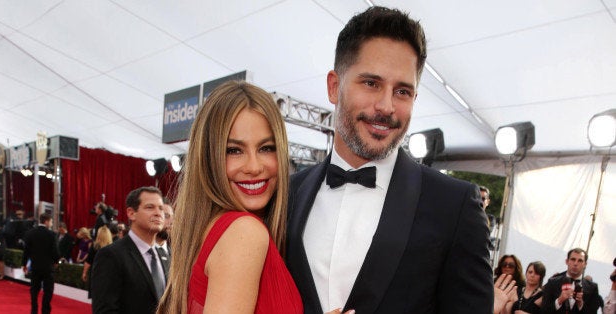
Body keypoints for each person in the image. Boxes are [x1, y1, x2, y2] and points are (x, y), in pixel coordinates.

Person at [285, 6, 493, 313]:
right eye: (371, 83)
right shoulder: (286, 195)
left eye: (402, 91)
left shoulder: (454, 206)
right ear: (334, 86)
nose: (386, 106)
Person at [157, 81, 319, 314]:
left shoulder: (209, 230)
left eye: (266, 148)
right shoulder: (244, 232)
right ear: (208, 158)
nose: (253, 167)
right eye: (233, 150)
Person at [91, 186, 169, 314]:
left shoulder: (165, 255)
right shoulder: (111, 255)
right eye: (150, 207)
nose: (158, 213)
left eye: (161, 208)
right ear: (131, 213)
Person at [542, 248, 602, 313]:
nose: (575, 263)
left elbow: (593, 312)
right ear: (567, 261)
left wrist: (581, 304)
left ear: (585, 264)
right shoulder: (552, 282)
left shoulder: (592, 287)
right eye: (573, 259)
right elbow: (543, 311)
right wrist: (559, 300)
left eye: (580, 261)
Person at [22, 213, 60, 314]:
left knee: (34, 290)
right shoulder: (52, 234)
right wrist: (56, 261)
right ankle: (45, 311)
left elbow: (26, 250)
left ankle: (34, 310)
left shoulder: (30, 233)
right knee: (48, 291)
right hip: (48, 268)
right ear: (46, 221)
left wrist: (24, 264)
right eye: (51, 221)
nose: (51, 224)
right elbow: (55, 251)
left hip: (35, 267)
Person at [82, 225, 112, 298]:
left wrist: (84, 273)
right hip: (109, 275)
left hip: (96, 274)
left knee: (96, 298)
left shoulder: (94, 246)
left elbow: (88, 261)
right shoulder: (113, 247)